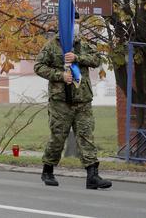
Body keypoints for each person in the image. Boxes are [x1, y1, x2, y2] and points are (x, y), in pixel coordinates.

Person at [35, 12, 111, 190]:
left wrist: (78, 58)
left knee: (86, 137)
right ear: (64, 25)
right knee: (58, 138)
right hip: (60, 101)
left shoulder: (83, 44)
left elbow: (97, 59)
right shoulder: (52, 46)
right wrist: (59, 75)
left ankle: (92, 176)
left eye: (78, 23)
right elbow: (38, 66)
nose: (76, 26)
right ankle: (48, 170)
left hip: (82, 99)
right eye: (73, 23)